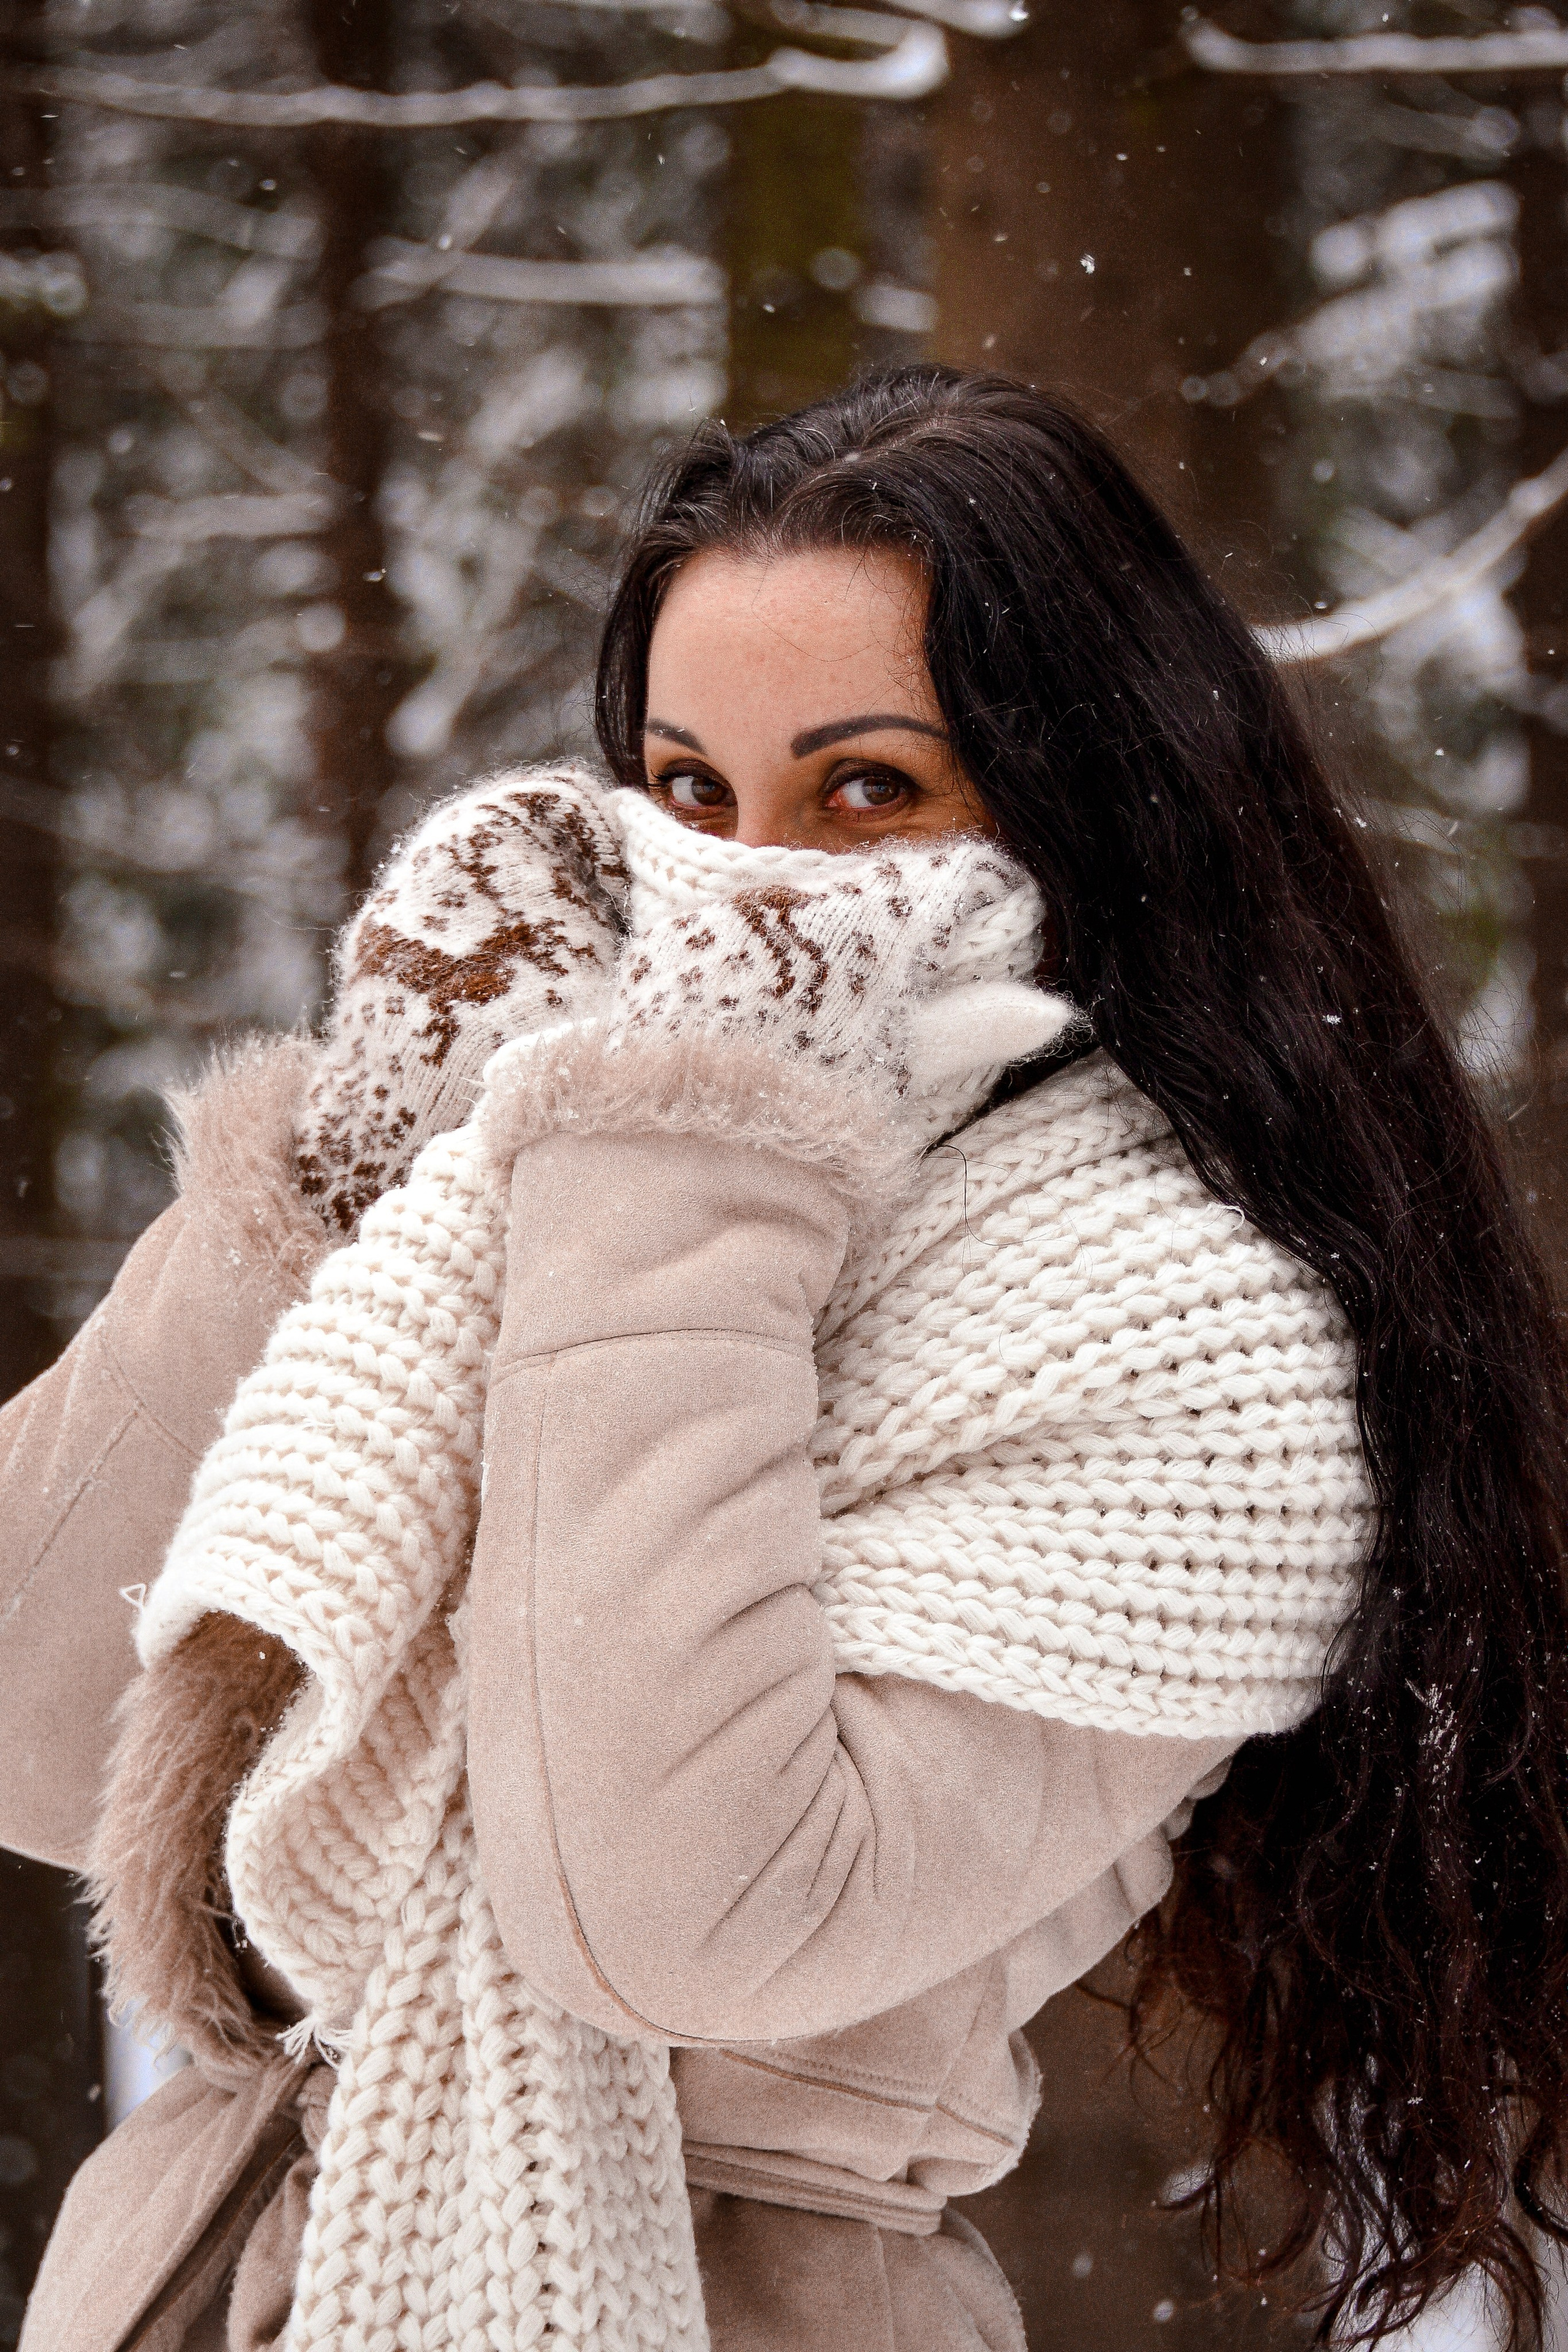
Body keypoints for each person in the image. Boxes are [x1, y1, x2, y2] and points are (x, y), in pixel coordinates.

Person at [4, 366, 1567, 2352]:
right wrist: (355, 1159)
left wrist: (694, 1151)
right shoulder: (509, 1190)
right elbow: (48, 1739)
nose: (745, 894)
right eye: (685, 793)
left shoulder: (1189, 1346)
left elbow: (676, 1920)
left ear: (1089, 802)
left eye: (868, 792)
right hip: (200, 2275)